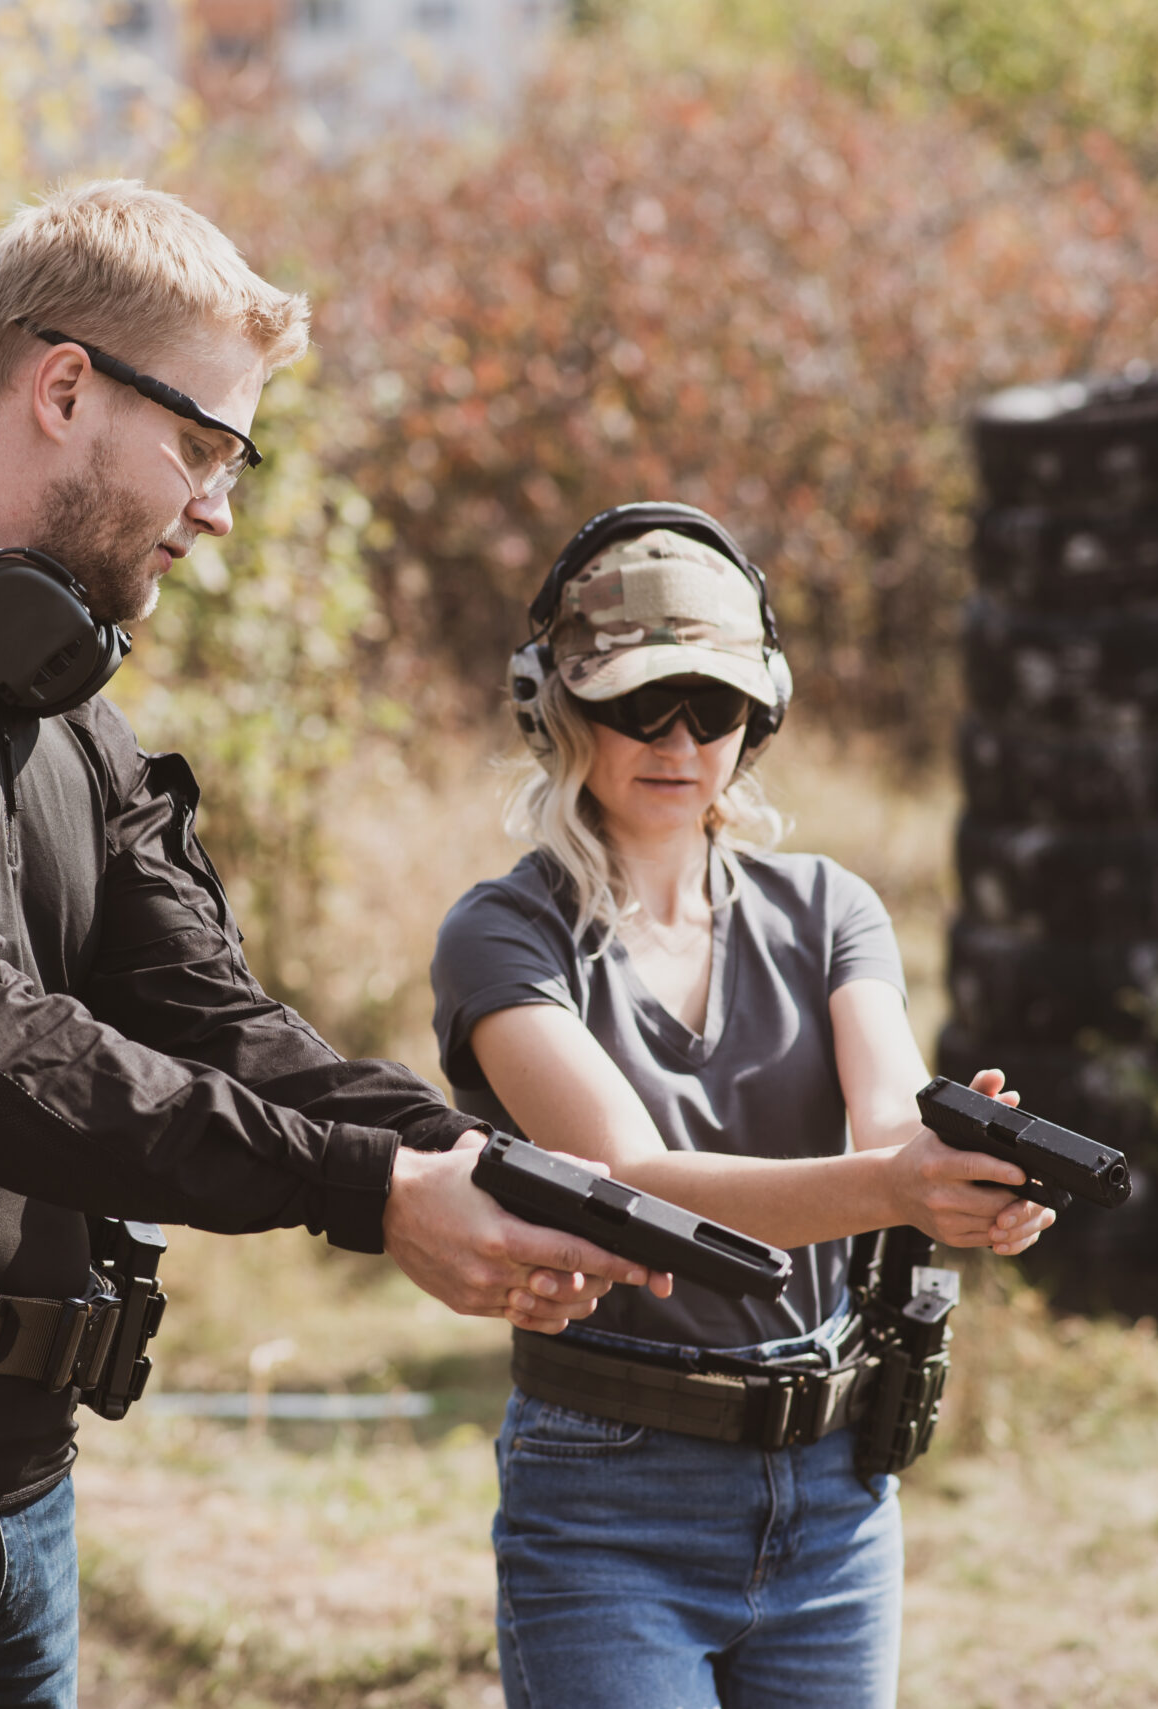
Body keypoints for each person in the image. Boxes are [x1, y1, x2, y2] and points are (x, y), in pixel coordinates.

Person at [0, 182, 650, 1708]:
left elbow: (211, 1015)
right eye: (206, 446)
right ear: (66, 385)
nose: (221, 504)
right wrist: (368, 1191)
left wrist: (467, 1164)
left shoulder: (71, 713)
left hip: (17, 1496)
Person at [428, 508, 1056, 1709]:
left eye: (711, 709)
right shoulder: (502, 934)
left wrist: (966, 1183)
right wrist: (896, 1185)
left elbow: (887, 1120)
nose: (676, 739)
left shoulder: (830, 908)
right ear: (558, 708)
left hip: (834, 1489)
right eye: (635, 703)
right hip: (609, 1490)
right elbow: (627, 1182)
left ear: (755, 718)